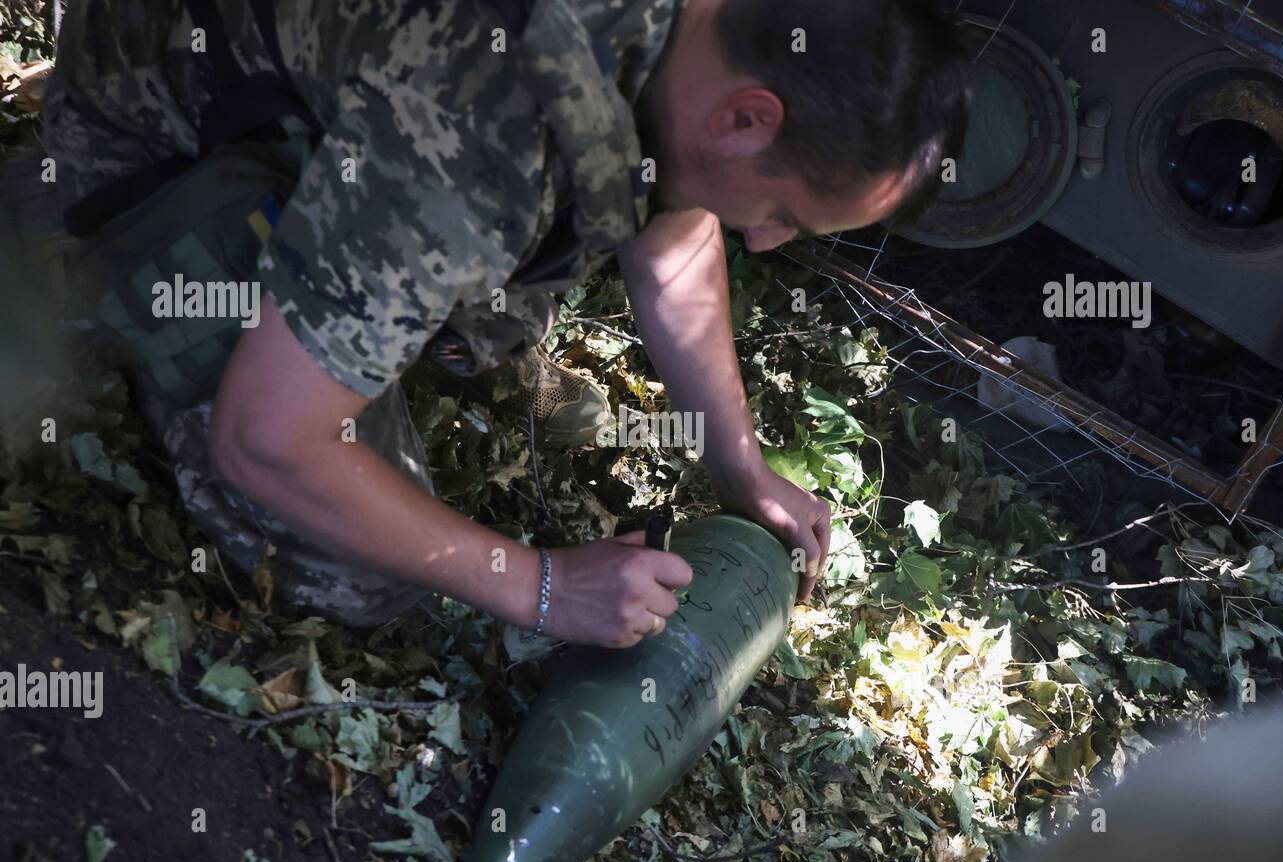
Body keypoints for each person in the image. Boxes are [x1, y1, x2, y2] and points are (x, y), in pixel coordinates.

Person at [37, 0, 971, 645]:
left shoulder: (707, 39)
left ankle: (344, 288)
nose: (764, 244)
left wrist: (740, 465)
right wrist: (544, 587)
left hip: (314, 86)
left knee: (508, 295)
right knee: (359, 573)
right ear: (745, 118)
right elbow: (265, 439)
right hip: (150, 129)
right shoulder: (483, 145)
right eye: (788, 217)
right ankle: (86, 257)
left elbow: (674, 227)